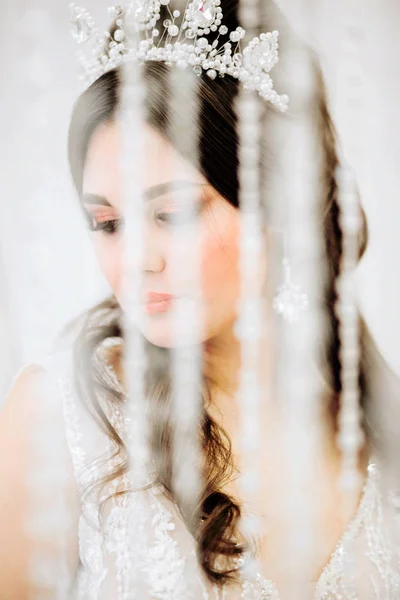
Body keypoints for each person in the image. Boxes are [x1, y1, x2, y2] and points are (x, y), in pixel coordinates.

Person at [1, 1, 400, 599]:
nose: (136, 260)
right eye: (107, 223)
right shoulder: (63, 419)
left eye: (173, 213)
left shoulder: (371, 427)